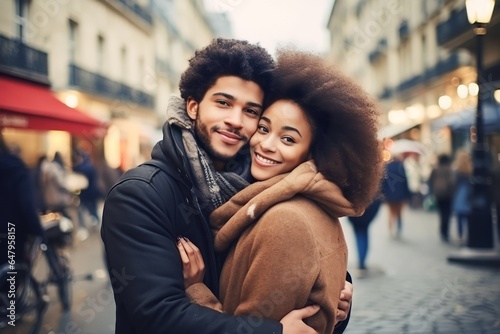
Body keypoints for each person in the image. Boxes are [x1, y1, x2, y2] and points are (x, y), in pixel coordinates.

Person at [101, 38, 352, 334]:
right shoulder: (140, 194)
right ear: (193, 107)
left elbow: (296, 268)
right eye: (223, 103)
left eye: (250, 111)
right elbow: (158, 316)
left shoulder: (260, 183)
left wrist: (336, 293)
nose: (235, 120)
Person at [177, 49, 383, 333]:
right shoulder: (290, 202)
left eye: (288, 138)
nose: (266, 144)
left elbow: (250, 327)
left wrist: (195, 288)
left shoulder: (284, 220)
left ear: (312, 153)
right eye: (263, 128)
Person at [0, 132, 44, 267]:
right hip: (11, 232)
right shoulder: (15, 168)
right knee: (12, 278)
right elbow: (26, 204)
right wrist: (37, 230)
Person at [347, 198, 382, 278]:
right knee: (363, 231)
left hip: (355, 203)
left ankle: (361, 262)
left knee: (359, 232)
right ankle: (362, 262)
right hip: (371, 203)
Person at [381, 154, 411, 238]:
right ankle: (399, 229)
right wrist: (407, 195)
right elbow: (405, 182)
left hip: (390, 195)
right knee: (399, 213)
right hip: (400, 195)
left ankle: (390, 230)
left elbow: (383, 182)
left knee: (390, 213)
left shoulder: (387, 167)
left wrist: (383, 194)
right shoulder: (401, 167)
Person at [428, 154, 455, 242]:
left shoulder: (436, 169)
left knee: (441, 213)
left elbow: (430, 181)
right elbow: (452, 182)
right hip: (448, 194)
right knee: (447, 214)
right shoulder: (449, 170)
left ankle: (442, 232)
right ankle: (445, 232)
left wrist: (432, 192)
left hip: (438, 194)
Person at [451, 149, 473, 243]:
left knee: (459, 216)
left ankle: (460, 235)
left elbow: (453, 183)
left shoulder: (456, 169)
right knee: (468, 215)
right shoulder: (470, 168)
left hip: (459, 193)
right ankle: (469, 234)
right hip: (468, 192)